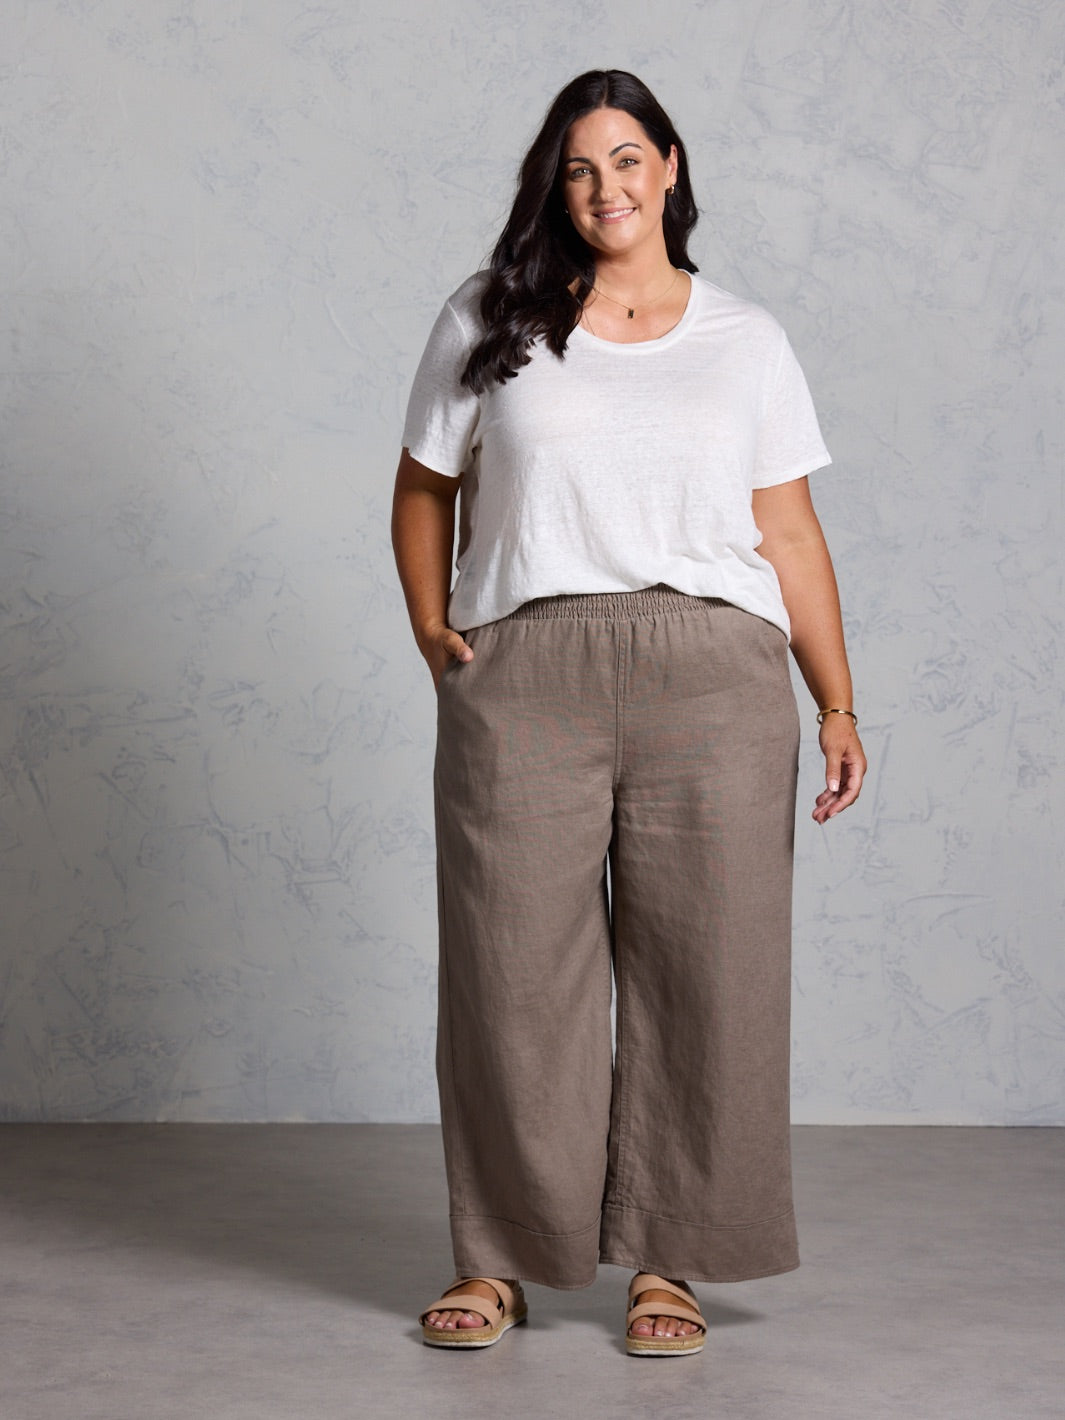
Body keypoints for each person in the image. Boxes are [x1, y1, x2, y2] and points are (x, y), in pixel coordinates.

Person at [391, 68, 866, 1357]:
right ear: (558, 184)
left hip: (714, 674)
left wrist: (836, 698)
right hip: (528, 665)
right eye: (577, 169)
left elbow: (789, 532)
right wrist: (437, 630)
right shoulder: (490, 318)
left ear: (669, 166)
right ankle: (497, 1258)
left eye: (626, 160)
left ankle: (673, 1261)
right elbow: (426, 486)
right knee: (508, 971)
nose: (605, 188)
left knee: (710, 973)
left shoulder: (746, 338)